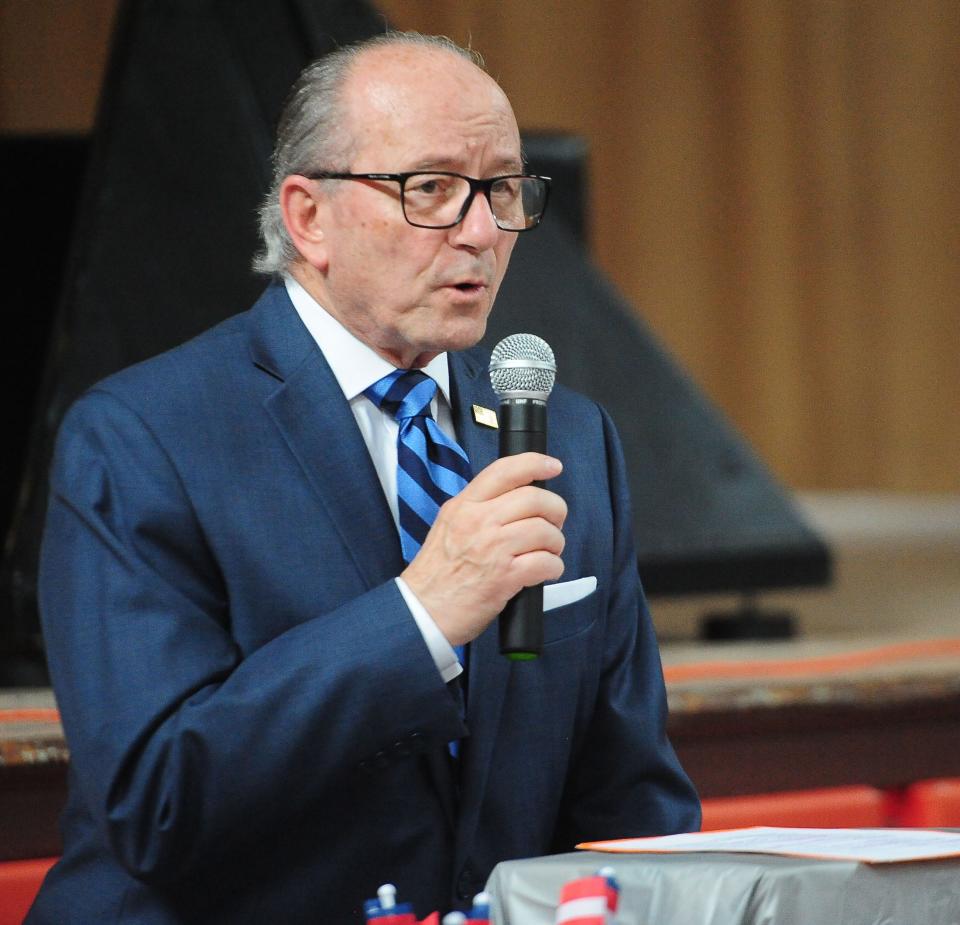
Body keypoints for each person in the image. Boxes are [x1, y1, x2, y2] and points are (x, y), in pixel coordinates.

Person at [29, 32, 700, 923]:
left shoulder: (566, 438)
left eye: (502, 189)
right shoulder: (141, 436)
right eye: (430, 189)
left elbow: (632, 808)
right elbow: (156, 799)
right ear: (309, 218)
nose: (479, 231)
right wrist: (422, 614)